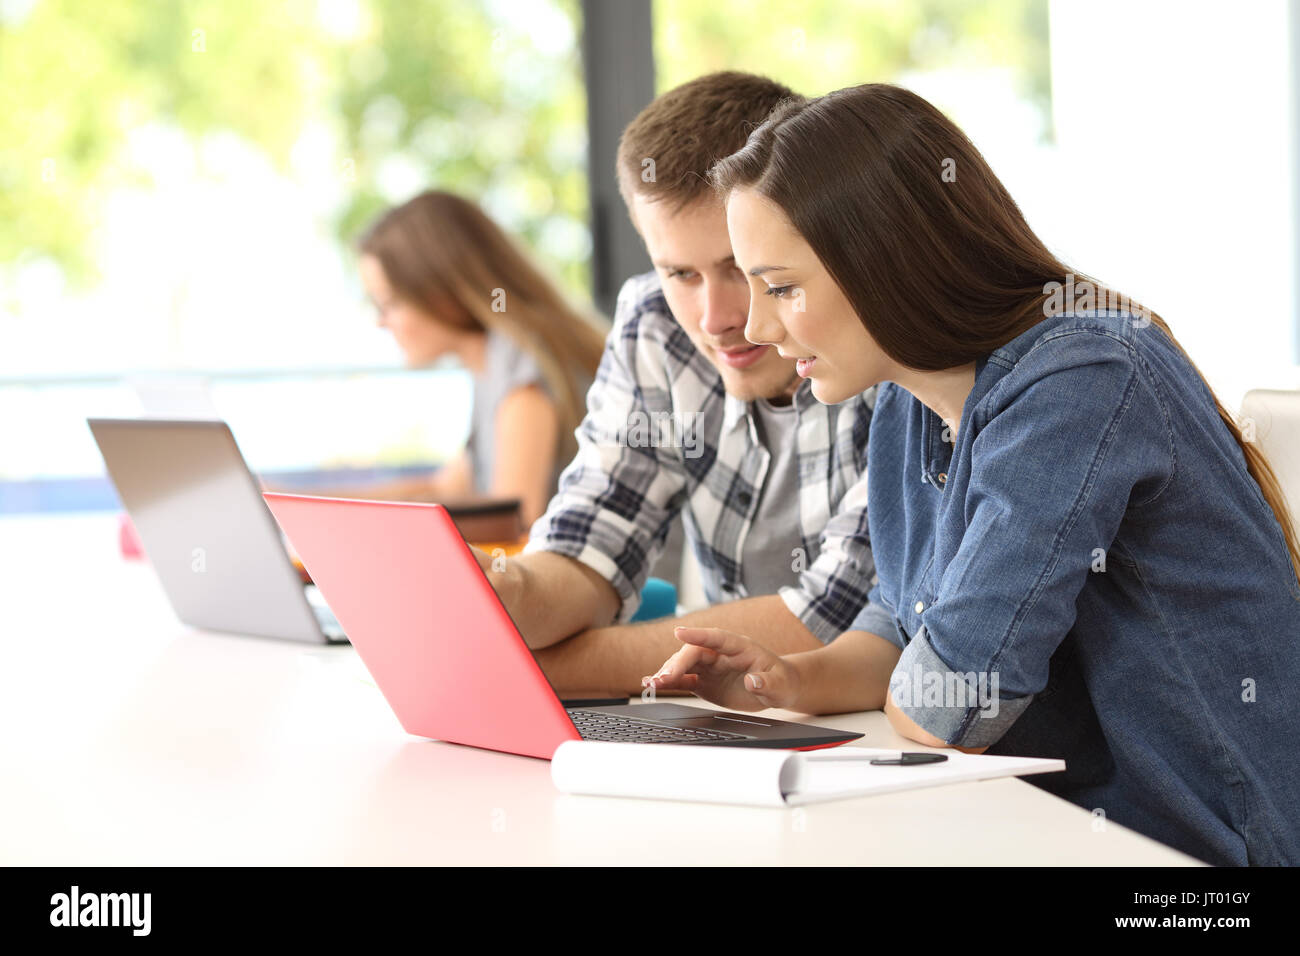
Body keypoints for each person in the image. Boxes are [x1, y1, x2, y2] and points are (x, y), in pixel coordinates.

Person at [645, 83, 1300, 867]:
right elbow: (902, 627)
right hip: (1042, 828)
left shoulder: (1084, 376)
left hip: (1195, 862)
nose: (753, 326)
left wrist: (924, 677)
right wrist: (788, 681)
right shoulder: (906, 402)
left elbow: (950, 699)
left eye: (781, 287)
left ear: (886, 260)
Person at [471, 72, 879, 693]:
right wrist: (507, 590)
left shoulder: (887, 342)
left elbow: (830, 619)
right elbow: (594, 537)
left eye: (741, 270)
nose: (715, 319)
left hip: (863, 728)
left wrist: (529, 671)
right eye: (680, 273)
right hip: (730, 724)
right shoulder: (654, 324)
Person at [349, 190, 606, 526]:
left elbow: (511, 523)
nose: (380, 322)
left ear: (442, 294)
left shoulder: (522, 370)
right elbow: (442, 487)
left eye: (389, 304)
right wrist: (294, 502)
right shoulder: (492, 362)